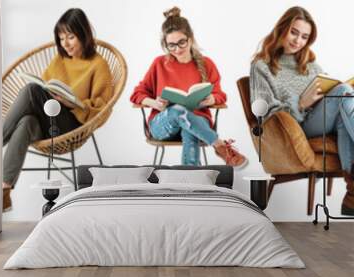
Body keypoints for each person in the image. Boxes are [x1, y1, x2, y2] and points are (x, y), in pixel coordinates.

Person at [2, 8, 113, 211]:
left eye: (71, 37)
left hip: (72, 125)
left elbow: (102, 108)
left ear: (84, 33)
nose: (65, 44)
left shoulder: (98, 64)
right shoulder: (59, 60)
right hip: (48, 121)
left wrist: (74, 104)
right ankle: (4, 191)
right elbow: (45, 88)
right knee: (27, 121)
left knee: (31, 90)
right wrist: (51, 95)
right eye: (61, 38)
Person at [250, 6, 354, 215]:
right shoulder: (262, 65)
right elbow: (262, 109)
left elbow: (328, 88)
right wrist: (300, 104)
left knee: (344, 98)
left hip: (321, 119)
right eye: (294, 32)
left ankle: (352, 195)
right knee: (343, 92)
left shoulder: (310, 64)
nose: (298, 41)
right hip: (294, 127)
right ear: (282, 29)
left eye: (304, 37)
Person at [130, 7, 247, 168]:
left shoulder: (206, 64)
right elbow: (137, 93)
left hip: (197, 123)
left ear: (190, 39)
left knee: (189, 128)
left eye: (181, 42)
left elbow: (220, 95)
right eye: (171, 45)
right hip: (163, 124)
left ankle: (191, 182)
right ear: (165, 44)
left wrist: (212, 99)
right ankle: (219, 145)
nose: (177, 49)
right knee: (179, 111)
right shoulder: (159, 64)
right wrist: (153, 103)